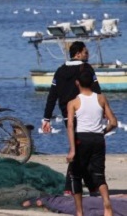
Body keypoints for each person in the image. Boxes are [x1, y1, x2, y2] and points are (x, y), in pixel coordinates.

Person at [42, 41, 101, 194]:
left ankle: (90, 185)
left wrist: (46, 118)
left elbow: (52, 95)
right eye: (86, 52)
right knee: (82, 150)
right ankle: (70, 187)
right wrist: (102, 111)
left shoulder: (60, 70)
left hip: (67, 115)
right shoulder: (86, 69)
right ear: (78, 54)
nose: (88, 55)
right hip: (84, 114)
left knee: (80, 148)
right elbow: (97, 91)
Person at [66, 69, 117, 216]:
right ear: (92, 83)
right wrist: (103, 132)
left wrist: (72, 149)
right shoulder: (101, 98)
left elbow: (70, 126)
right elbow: (113, 122)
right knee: (99, 175)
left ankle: (79, 212)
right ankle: (106, 203)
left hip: (82, 138)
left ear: (77, 83)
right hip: (98, 139)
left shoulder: (73, 102)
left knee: (75, 175)